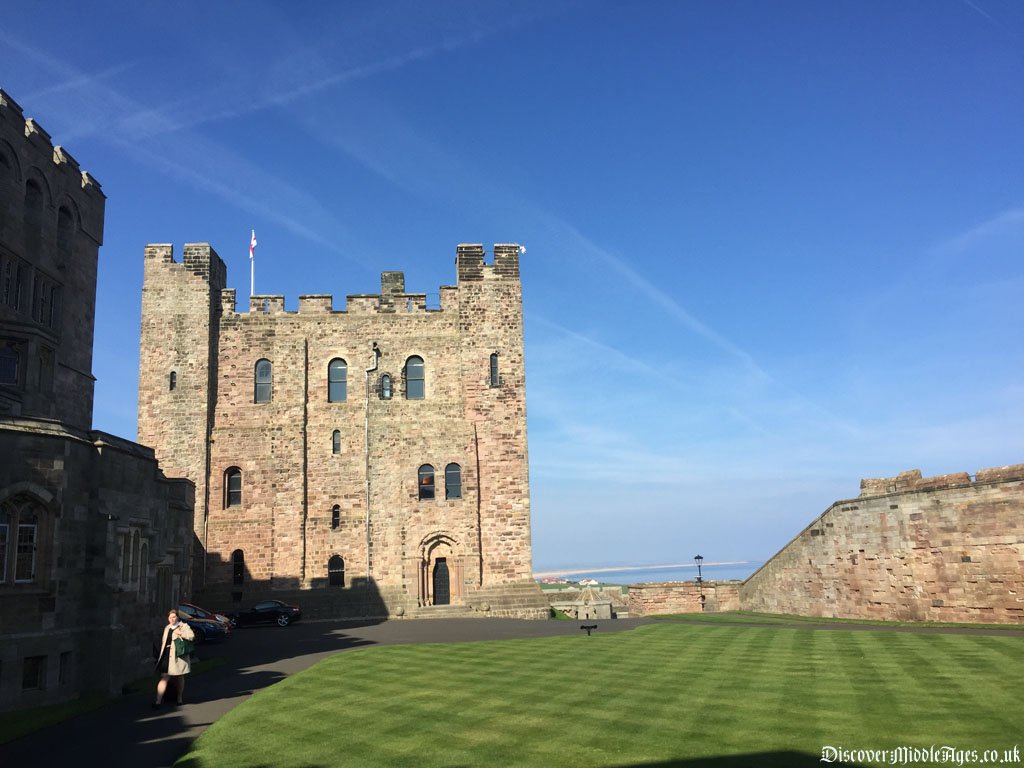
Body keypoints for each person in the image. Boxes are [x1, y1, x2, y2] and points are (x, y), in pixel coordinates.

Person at [153, 608, 196, 708]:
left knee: (179, 677)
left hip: (178, 656)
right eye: (170, 617)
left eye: (174, 617)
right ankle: (158, 701)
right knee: (164, 677)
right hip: (166, 656)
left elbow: (191, 636)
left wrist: (180, 633)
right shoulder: (167, 628)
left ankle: (179, 698)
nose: (171, 619)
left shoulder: (183, 626)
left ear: (177, 617)